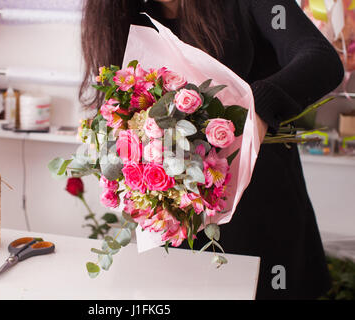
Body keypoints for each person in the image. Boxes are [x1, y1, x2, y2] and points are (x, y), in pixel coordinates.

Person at [80, 0, 345, 300]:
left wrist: (256, 108)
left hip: (264, 219)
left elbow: (322, 61)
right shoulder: (120, 14)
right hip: (183, 228)